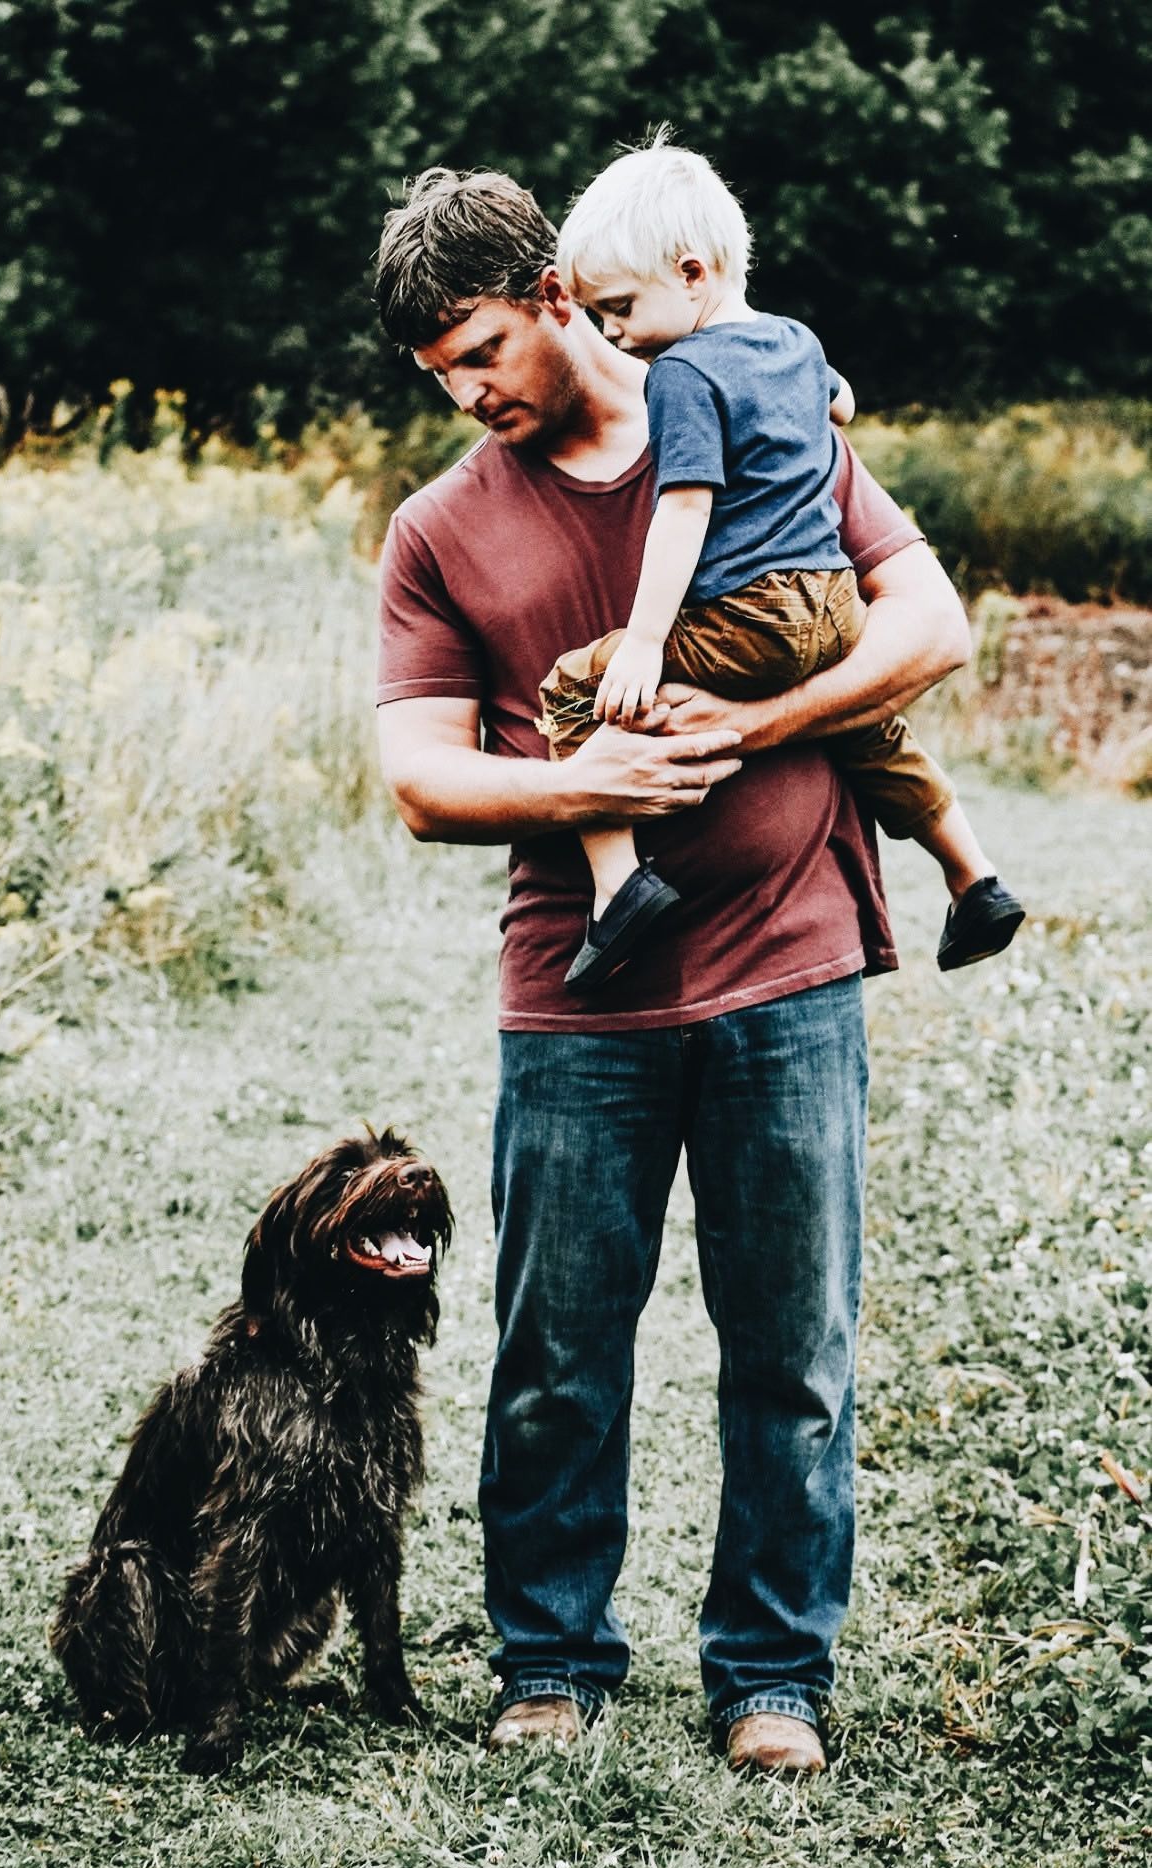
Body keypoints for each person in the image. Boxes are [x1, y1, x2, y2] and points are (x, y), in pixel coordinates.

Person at [373, 163, 974, 1773]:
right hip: (576, 994)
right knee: (555, 1352)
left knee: (792, 1351)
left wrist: (752, 725)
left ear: (559, 296)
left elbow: (930, 625)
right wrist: (589, 793)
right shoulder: (441, 528)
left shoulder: (757, 411)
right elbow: (427, 778)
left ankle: (771, 1678)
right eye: (438, 373)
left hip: (792, 966)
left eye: (482, 348)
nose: (468, 390)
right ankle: (551, 1660)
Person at [535, 138, 1022, 989]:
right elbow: (842, 402)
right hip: (836, 607)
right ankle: (971, 876)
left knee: (574, 684)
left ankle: (618, 889)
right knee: (867, 727)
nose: (609, 332)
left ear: (690, 274)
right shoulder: (793, 340)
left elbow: (683, 509)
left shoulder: (679, 373)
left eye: (616, 307)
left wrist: (646, 643)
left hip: (750, 616)